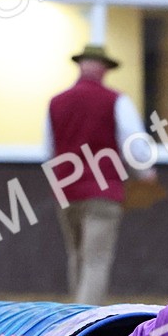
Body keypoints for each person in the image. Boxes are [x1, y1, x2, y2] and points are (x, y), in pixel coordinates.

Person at [45, 44, 157, 306]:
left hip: (67, 191)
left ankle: (73, 316)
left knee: (76, 255)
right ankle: (86, 322)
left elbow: (48, 150)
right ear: (104, 69)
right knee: (96, 260)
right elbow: (134, 140)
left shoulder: (56, 102)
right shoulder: (116, 100)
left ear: (81, 65)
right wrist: (145, 171)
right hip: (103, 190)